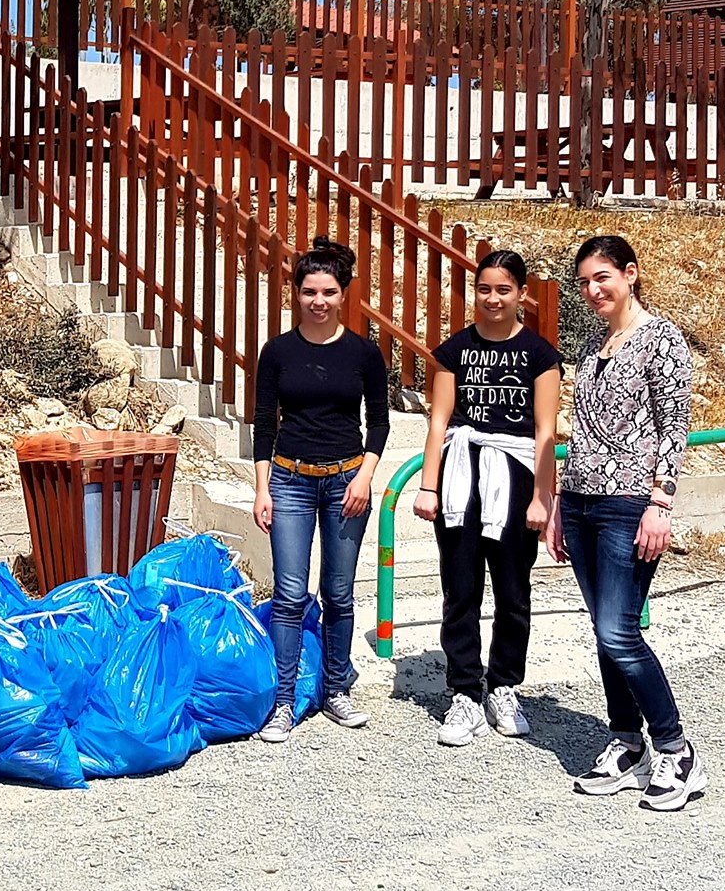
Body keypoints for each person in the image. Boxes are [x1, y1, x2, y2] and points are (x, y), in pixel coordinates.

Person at [549, 234, 702, 812]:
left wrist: (661, 503)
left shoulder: (660, 340)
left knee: (620, 631)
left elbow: (673, 426)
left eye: (603, 278)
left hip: (631, 504)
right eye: (585, 281)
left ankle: (675, 748)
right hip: (584, 500)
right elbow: (582, 433)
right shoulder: (594, 347)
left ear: (630, 274)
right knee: (603, 628)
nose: (593, 290)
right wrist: (564, 501)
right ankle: (625, 741)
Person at [414, 250, 560, 747]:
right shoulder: (454, 350)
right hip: (461, 475)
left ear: (521, 294)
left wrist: (544, 497)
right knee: (460, 588)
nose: (493, 298)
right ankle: (464, 693)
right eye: (483, 289)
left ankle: (503, 685)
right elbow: (439, 421)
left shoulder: (540, 355)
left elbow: (544, 431)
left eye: (503, 289)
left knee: (514, 592)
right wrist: (429, 485)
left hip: (516, 475)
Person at [252, 236, 389, 745]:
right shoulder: (278, 352)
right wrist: (262, 488)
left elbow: (378, 422)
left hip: (346, 482)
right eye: (309, 291)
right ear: (296, 293)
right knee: (289, 593)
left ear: (343, 293)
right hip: (288, 478)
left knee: (339, 592)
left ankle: (336, 687)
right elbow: (264, 424)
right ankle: (284, 701)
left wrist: (365, 476)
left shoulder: (363, 353)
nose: (318, 301)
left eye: (328, 291)